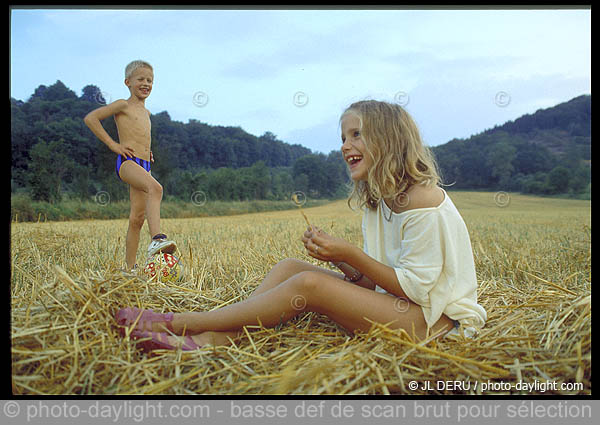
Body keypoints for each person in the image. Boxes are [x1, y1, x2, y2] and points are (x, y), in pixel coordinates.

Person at [116, 100, 486, 351]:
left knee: (309, 285)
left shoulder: (422, 201)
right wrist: (339, 259)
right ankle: (213, 341)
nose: (345, 145)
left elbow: (418, 291)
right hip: (399, 307)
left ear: (389, 140)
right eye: (343, 137)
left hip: (436, 325)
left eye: (357, 134)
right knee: (291, 268)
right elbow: (373, 283)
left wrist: (351, 253)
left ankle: (183, 323)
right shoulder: (379, 199)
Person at [84, 60, 177, 272]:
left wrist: (148, 151)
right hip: (127, 163)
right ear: (128, 82)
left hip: (145, 164)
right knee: (156, 188)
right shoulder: (122, 105)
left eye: (150, 80)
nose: (146, 84)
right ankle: (157, 239)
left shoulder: (147, 113)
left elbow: (141, 136)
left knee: (137, 219)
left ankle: (130, 269)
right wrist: (114, 145)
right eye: (141, 79)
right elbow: (91, 119)